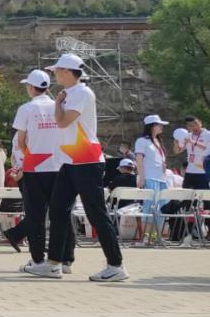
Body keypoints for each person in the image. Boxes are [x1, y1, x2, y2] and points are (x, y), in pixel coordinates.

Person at [32, 53, 127, 282]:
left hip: (87, 161)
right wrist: (59, 102)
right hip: (70, 160)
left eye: (57, 71)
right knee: (58, 211)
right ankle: (54, 263)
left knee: (96, 213)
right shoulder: (70, 94)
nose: (55, 74)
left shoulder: (82, 93)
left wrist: (57, 104)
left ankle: (116, 265)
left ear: (67, 72)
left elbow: (63, 121)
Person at [9, 70, 74, 271]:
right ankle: (65, 259)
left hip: (35, 168)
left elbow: (21, 141)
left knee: (35, 216)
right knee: (61, 215)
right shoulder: (60, 106)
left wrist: (30, 156)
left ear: (31, 87)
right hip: (60, 166)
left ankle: (38, 260)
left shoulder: (26, 109)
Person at [134, 114, 169, 244]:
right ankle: (145, 237)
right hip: (149, 178)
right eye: (159, 125)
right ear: (152, 126)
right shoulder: (142, 141)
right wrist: (141, 177)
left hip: (162, 180)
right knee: (149, 209)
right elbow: (139, 160)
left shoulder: (158, 141)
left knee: (160, 209)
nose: (161, 127)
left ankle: (155, 236)